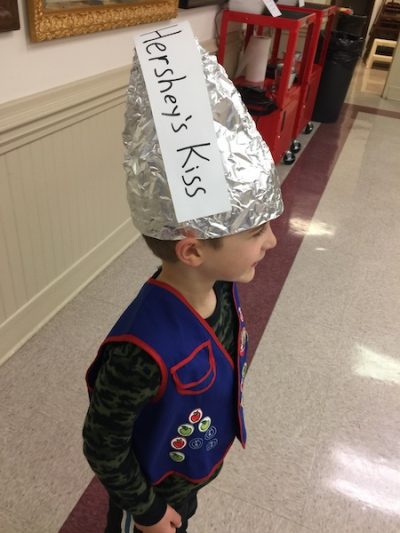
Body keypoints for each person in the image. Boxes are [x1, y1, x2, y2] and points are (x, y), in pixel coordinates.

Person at [83, 28, 283, 533]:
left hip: (185, 478)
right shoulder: (140, 352)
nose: (273, 242)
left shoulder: (219, 287)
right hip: (149, 496)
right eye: (256, 231)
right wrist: (147, 512)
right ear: (192, 250)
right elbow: (103, 444)